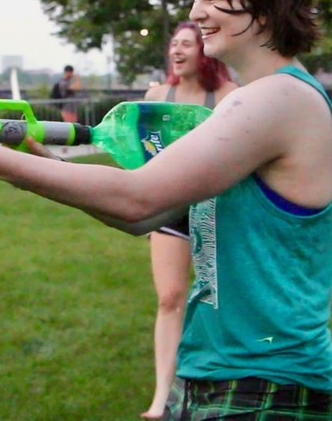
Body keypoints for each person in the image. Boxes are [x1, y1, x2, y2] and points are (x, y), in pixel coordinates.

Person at [0, 0, 332, 420]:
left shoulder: (278, 99)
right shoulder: (258, 100)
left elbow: (138, 198)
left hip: (270, 387)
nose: (196, 14)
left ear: (264, 2)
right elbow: (145, 217)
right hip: (211, 373)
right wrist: (35, 157)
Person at [139, 22, 238, 419]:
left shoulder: (229, 96)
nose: (177, 51)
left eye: (187, 44)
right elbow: (143, 153)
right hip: (169, 210)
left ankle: (218, 381)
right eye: (173, 45)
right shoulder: (157, 96)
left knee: (219, 302)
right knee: (169, 298)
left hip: (218, 211)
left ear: (205, 52)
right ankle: (162, 396)